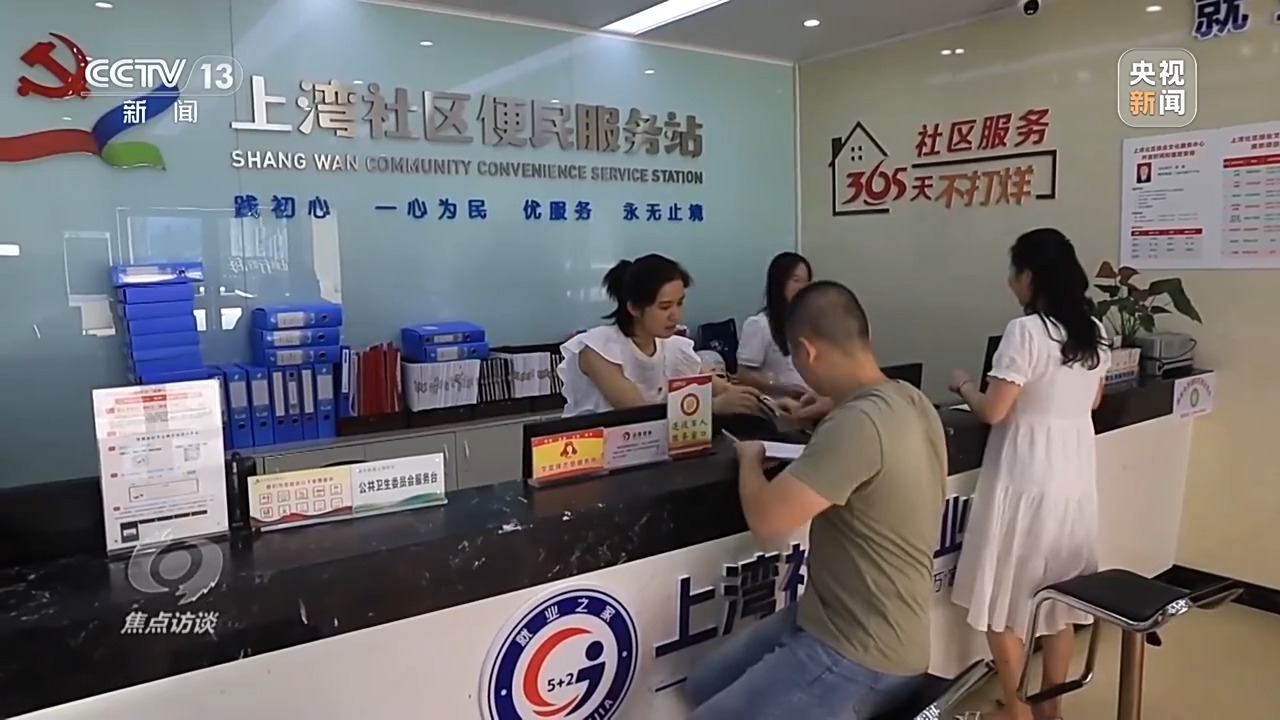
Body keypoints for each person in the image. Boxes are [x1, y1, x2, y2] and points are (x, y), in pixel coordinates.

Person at [684, 281, 947, 720]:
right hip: (839, 618)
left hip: (859, 651)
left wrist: (750, 459)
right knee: (704, 685)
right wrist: (830, 404)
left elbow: (769, 522)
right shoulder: (910, 399)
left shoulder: (857, 423)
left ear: (806, 352)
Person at [947, 228, 1111, 720]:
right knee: (1058, 603)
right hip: (1073, 480)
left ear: (1030, 275)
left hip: (1024, 478)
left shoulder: (1025, 332)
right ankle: (1050, 710)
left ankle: (1017, 711)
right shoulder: (1094, 331)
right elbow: (1094, 401)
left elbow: (994, 411)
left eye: (1014, 270)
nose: (1010, 281)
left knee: (1003, 602)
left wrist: (964, 385)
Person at [557, 254, 763, 417]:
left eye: (680, 303)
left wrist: (762, 402)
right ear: (634, 308)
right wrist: (712, 407)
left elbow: (720, 388)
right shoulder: (599, 349)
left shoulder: (675, 347)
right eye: (664, 307)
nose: (675, 315)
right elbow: (637, 413)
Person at [736, 252, 833, 424]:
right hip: (780, 410)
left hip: (814, 405)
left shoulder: (807, 323)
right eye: (796, 280)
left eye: (806, 282)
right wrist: (784, 388)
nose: (802, 287)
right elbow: (743, 374)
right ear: (780, 282)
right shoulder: (759, 324)